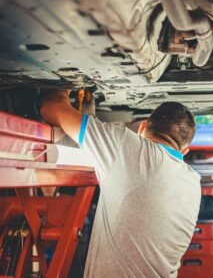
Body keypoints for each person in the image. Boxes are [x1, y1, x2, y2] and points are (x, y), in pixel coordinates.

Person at [40, 90, 201, 278]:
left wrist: (65, 85)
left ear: (141, 128)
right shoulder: (193, 183)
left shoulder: (127, 146)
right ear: (185, 150)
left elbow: (51, 108)